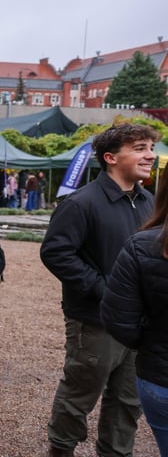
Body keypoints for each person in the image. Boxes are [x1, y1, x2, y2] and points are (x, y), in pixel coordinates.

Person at [41, 123, 159, 456]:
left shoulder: (147, 200)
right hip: (96, 321)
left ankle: (116, 452)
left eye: (150, 147)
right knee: (80, 392)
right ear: (110, 157)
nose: (150, 154)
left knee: (128, 400)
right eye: (139, 148)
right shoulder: (81, 203)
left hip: (140, 325)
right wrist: (105, 289)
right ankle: (61, 449)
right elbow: (55, 252)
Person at [102, 173, 168, 455]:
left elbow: (120, 321)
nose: (148, 155)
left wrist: (152, 342)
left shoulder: (143, 245)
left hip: (159, 377)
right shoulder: (142, 246)